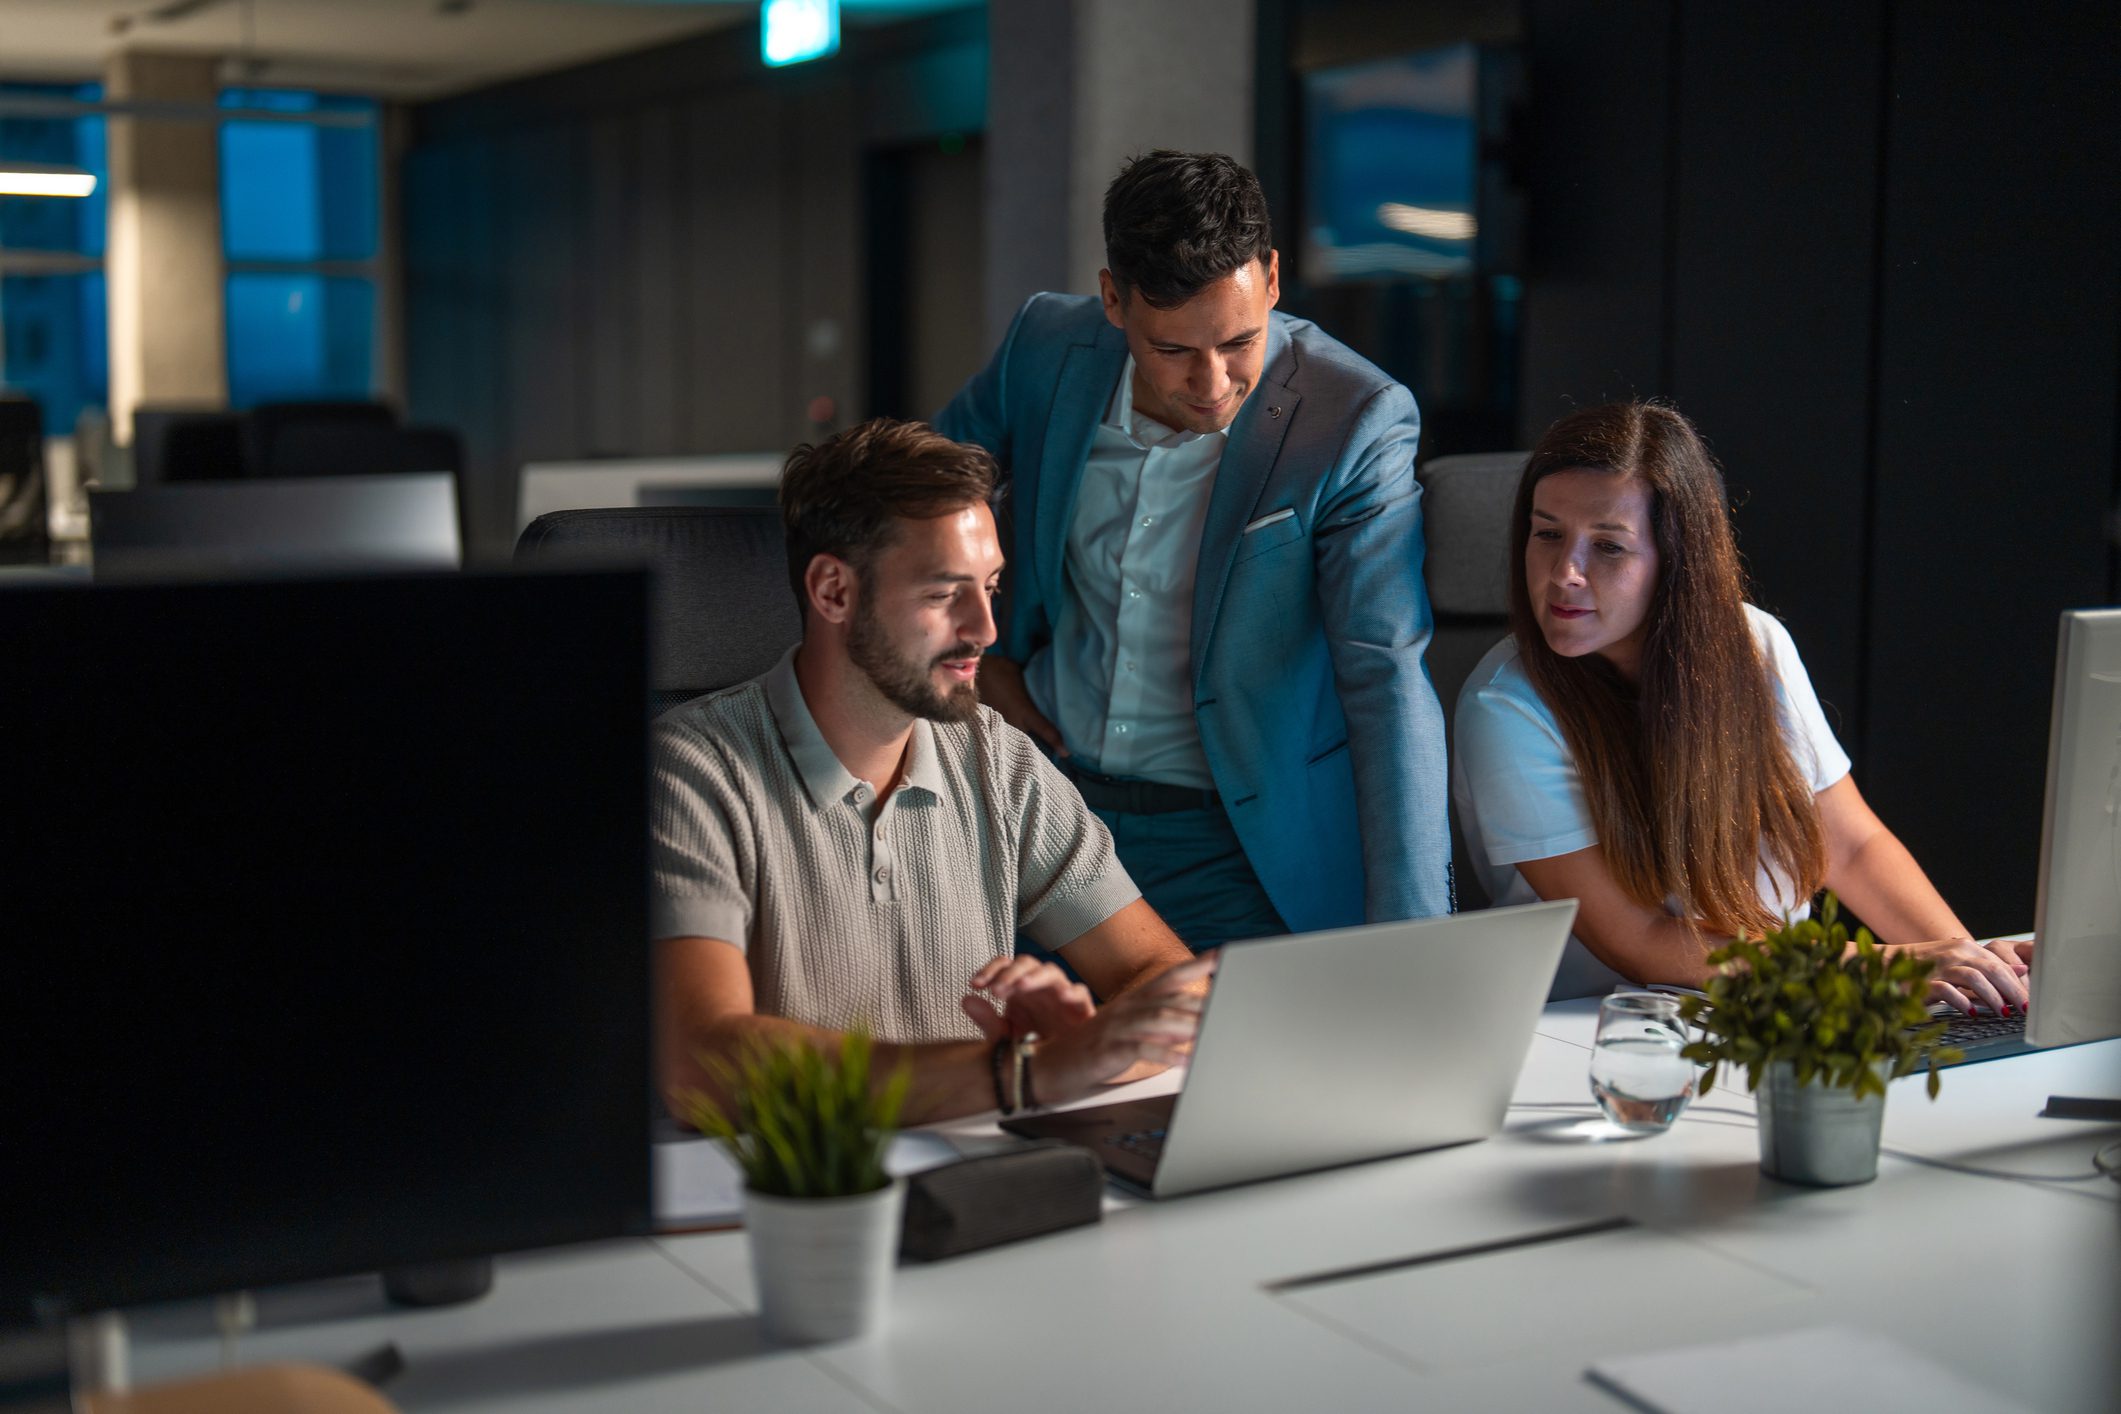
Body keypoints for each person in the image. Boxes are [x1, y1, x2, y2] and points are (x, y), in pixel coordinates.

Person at [936, 150, 1451, 946]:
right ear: (1113, 299)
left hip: (1234, 847)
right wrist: (974, 654)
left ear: (1272, 279)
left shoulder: (1354, 419)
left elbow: (1385, 673)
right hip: (1042, 812)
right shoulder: (1045, 346)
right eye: (1173, 350)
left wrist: (1416, 940)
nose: (1212, 382)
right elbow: (925, 491)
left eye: (1239, 342)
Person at [650, 418, 1209, 1125]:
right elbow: (704, 1062)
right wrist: (1022, 1075)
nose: (985, 629)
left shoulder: (994, 757)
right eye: (946, 594)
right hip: (794, 1206)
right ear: (832, 592)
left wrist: (1083, 1052)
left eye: (991, 586)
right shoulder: (690, 773)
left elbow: (1168, 984)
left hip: (977, 1178)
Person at [1452, 400, 2033, 1010]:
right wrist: (1881, 968)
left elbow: (1852, 846)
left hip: (1781, 1005)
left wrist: (1973, 969)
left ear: (1677, 560)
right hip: (1601, 1030)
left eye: (1609, 546)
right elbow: (1643, 942)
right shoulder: (1506, 707)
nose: (1564, 572)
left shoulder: (1755, 644)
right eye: (1548, 534)